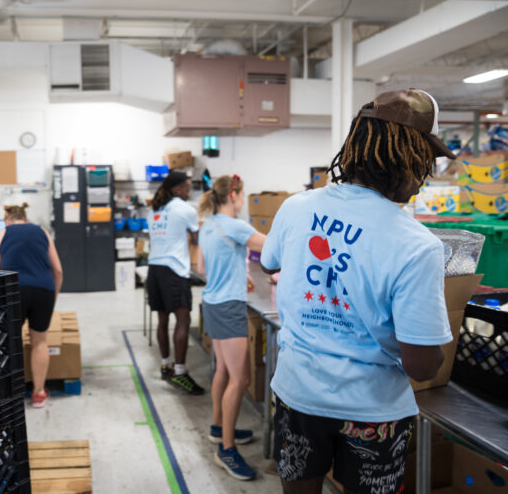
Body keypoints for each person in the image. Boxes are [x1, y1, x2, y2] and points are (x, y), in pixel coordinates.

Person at [260, 89, 457, 494]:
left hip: (299, 395)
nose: (426, 175)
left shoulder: (297, 207)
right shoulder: (416, 244)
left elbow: (270, 262)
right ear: (409, 156)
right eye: (427, 160)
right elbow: (422, 365)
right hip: (373, 413)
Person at [196, 174, 266, 481]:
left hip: (212, 302)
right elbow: (273, 249)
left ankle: (217, 428)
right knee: (241, 379)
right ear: (235, 195)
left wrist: (236, 272)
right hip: (229, 307)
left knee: (223, 371)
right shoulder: (235, 226)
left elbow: (202, 269)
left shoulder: (208, 225)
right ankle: (226, 449)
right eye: (243, 195)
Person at [0, 203, 63, 409]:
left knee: (9, 342)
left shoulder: (1, 235)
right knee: (39, 341)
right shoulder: (42, 232)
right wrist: (53, 295)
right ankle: (38, 394)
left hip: (13, 292)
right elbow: (57, 270)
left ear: (7, 221)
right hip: (43, 290)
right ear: (26, 219)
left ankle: (8, 395)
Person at [147, 171, 205, 395]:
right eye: (187, 188)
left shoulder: (154, 209)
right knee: (183, 319)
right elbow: (197, 237)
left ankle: (166, 365)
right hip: (174, 270)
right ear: (177, 189)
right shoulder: (185, 209)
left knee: (162, 320)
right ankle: (180, 373)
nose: (189, 192)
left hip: (155, 269)